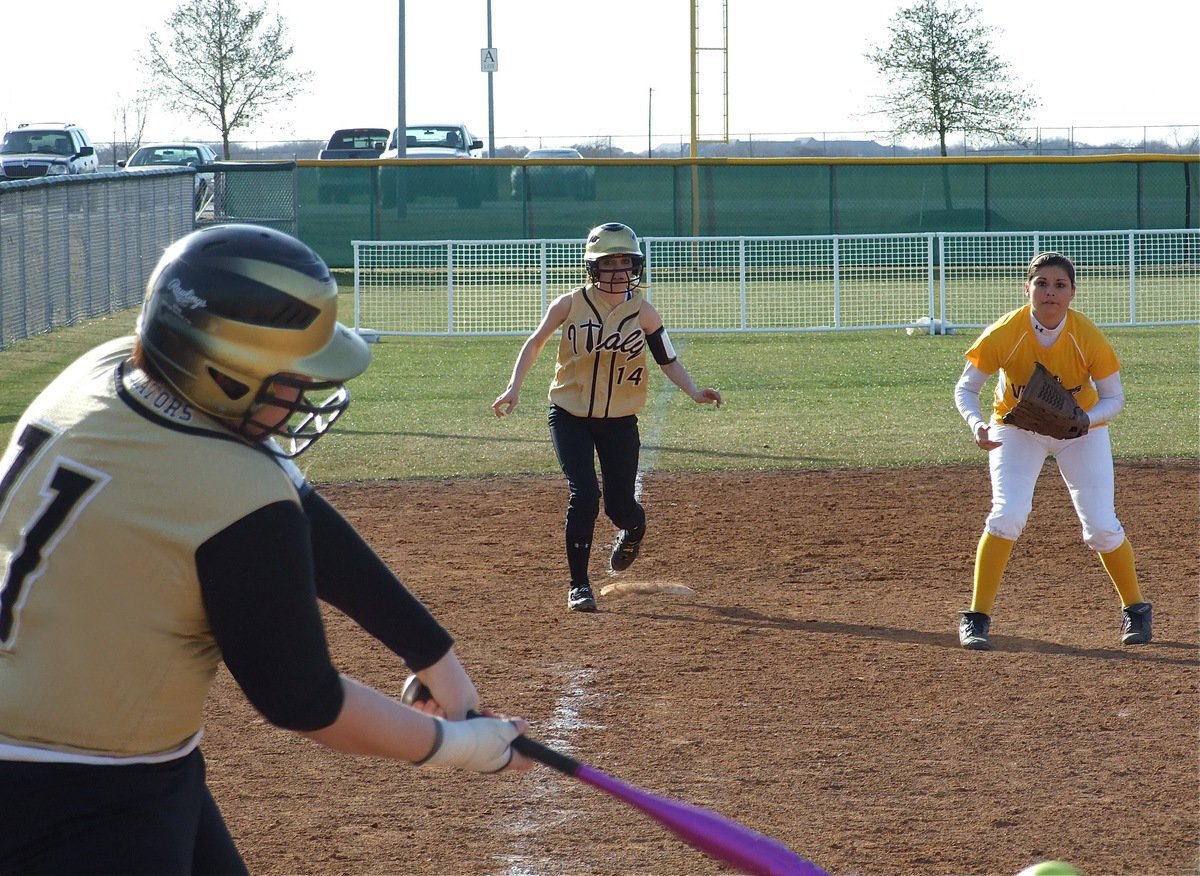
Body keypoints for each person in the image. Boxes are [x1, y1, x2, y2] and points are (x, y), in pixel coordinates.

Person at [0, 224, 530, 875]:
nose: (308, 387)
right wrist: (461, 745)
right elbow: (303, 699)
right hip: (67, 800)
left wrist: (438, 660)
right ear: (219, 375)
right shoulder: (234, 489)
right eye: (291, 374)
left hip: (126, 759)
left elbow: (306, 519)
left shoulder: (105, 369)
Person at [492, 222, 722, 613]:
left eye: (625, 262)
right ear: (592, 267)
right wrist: (514, 387)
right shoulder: (569, 303)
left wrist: (694, 391)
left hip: (619, 421)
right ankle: (579, 585)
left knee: (618, 507)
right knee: (583, 495)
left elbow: (667, 359)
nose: (618, 271)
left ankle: (633, 528)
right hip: (569, 415)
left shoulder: (644, 313)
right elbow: (535, 343)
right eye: (609, 263)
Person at [953, 251, 1151, 651]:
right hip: (1016, 426)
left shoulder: (1087, 335)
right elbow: (966, 388)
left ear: (1072, 293)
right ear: (1026, 288)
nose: (1050, 292)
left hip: (1078, 430)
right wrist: (977, 425)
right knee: (1007, 515)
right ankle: (976, 618)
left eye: (1060, 285)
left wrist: (1084, 421)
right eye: (1041, 283)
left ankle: (1136, 608)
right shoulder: (1005, 333)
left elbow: (1114, 398)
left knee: (1100, 525)